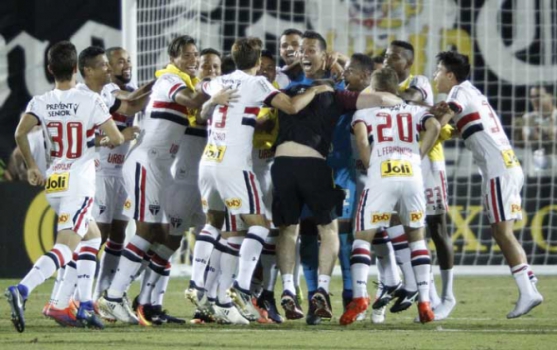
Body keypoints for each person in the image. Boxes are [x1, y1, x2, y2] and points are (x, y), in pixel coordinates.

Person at [193, 36, 331, 324]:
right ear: (257, 62)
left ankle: (201, 288)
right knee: (260, 226)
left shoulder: (220, 81)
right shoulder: (257, 83)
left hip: (208, 161)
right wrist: (317, 89)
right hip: (233, 164)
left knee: (216, 224)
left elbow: (200, 86)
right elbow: (291, 106)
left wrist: (212, 101)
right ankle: (241, 289)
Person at [272, 30, 404, 321]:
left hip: (337, 169)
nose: (302, 53)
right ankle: (313, 296)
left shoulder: (337, 86)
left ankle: (347, 296)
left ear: (324, 53)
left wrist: (345, 63)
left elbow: (374, 85)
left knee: (341, 235)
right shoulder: (291, 85)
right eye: (298, 49)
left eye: (308, 49)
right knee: (309, 234)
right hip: (313, 166)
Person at [5, 41, 126, 332]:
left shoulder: (40, 101)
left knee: (92, 238)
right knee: (65, 248)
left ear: (50, 70)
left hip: (54, 180)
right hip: (78, 182)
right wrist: (101, 139)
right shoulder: (90, 100)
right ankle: (22, 289)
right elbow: (116, 137)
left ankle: (83, 305)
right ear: (75, 69)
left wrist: (33, 166)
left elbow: (20, 133)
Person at [97, 35, 209, 325]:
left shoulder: (181, 80)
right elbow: (195, 100)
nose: (193, 60)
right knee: (146, 229)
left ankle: (138, 299)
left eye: (195, 54)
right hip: (147, 161)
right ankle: (111, 296)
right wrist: (220, 91)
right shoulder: (170, 79)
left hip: (161, 167)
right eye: (186, 55)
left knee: (163, 235)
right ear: (173, 58)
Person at [433, 51, 543, 319]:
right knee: (500, 231)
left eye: (438, 71)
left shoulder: (458, 92)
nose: (434, 76)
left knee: (502, 233)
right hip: (506, 165)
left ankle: (528, 291)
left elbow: (446, 117)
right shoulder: (473, 93)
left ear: (450, 75)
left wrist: (429, 123)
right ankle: (528, 280)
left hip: (498, 170)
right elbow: (462, 128)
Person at [340, 67, 441, 325]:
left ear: (374, 90)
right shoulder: (415, 110)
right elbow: (435, 125)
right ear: (396, 88)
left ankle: (360, 296)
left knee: (362, 237)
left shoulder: (363, 112)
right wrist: (418, 155)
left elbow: (362, 142)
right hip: (412, 176)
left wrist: (370, 164)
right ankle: (426, 302)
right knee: (416, 237)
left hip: (382, 173)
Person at [383, 40, 455, 320]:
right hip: (396, 165)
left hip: (427, 164)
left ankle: (448, 295)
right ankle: (429, 294)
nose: (389, 61)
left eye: (395, 57)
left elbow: (411, 98)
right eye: (387, 56)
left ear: (409, 63)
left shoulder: (420, 81)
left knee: (437, 228)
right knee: (402, 227)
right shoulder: (381, 88)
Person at [522, 86, 557, 169]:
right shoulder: (528, 118)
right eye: (532, 97)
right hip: (537, 171)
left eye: (539, 96)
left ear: (550, 96)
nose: (535, 100)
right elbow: (526, 141)